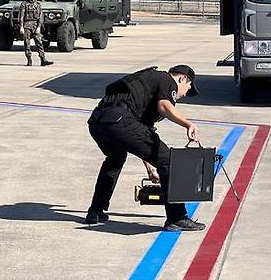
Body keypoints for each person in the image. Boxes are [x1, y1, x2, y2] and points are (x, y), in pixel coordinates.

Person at [86, 65, 205, 231]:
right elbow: (164, 106)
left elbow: (139, 135)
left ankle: (95, 211)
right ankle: (177, 217)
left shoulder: (147, 83)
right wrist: (188, 124)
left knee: (115, 159)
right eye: (188, 88)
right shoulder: (166, 79)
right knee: (169, 161)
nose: (184, 94)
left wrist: (149, 167)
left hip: (99, 121)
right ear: (182, 78)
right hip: (120, 120)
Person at [19, 0, 53, 67]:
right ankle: (29, 59)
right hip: (27, 25)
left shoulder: (38, 4)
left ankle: (43, 59)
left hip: (36, 25)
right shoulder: (24, 4)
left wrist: (39, 27)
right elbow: (21, 16)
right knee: (27, 43)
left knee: (39, 43)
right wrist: (21, 27)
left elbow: (40, 16)